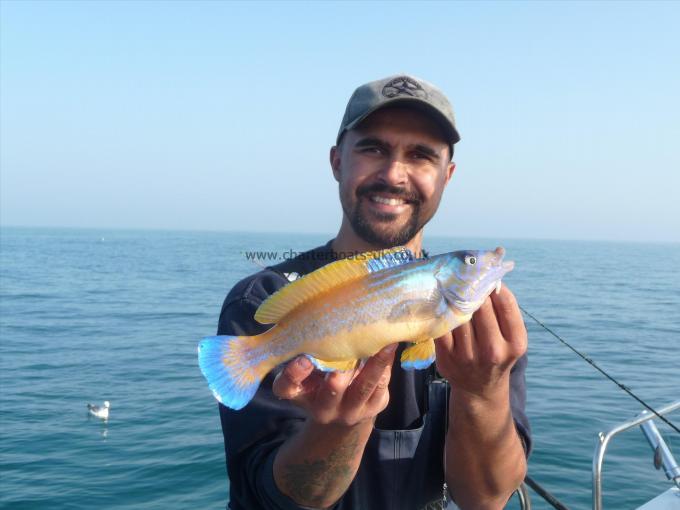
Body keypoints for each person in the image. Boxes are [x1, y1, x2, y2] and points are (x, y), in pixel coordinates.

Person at [216, 74, 531, 510]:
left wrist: (483, 390)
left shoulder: (482, 321)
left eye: (421, 155)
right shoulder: (256, 300)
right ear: (337, 162)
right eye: (373, 148)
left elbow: (486, 499)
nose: (393, 174)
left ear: (447, 176)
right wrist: (336, 428)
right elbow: (273, 497)